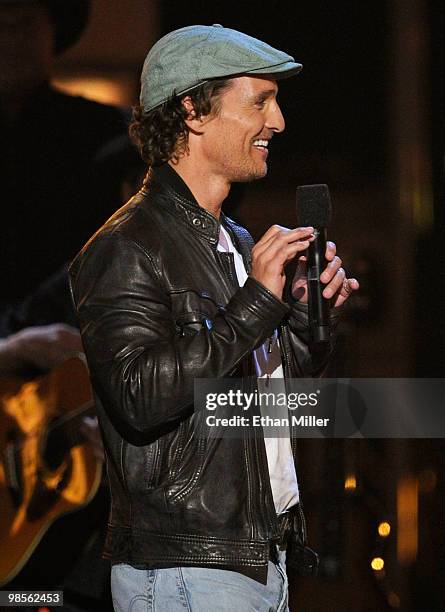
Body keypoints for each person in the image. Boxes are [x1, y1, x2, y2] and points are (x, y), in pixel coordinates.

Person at [69, 24, 359, 611]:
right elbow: (139, 396)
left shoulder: (233, 241)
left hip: (254, 559)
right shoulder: (127, 246)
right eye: (260, 101)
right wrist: (256, 302)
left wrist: (304, 325)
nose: (277, 123)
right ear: (193, 111)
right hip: (186, 566)